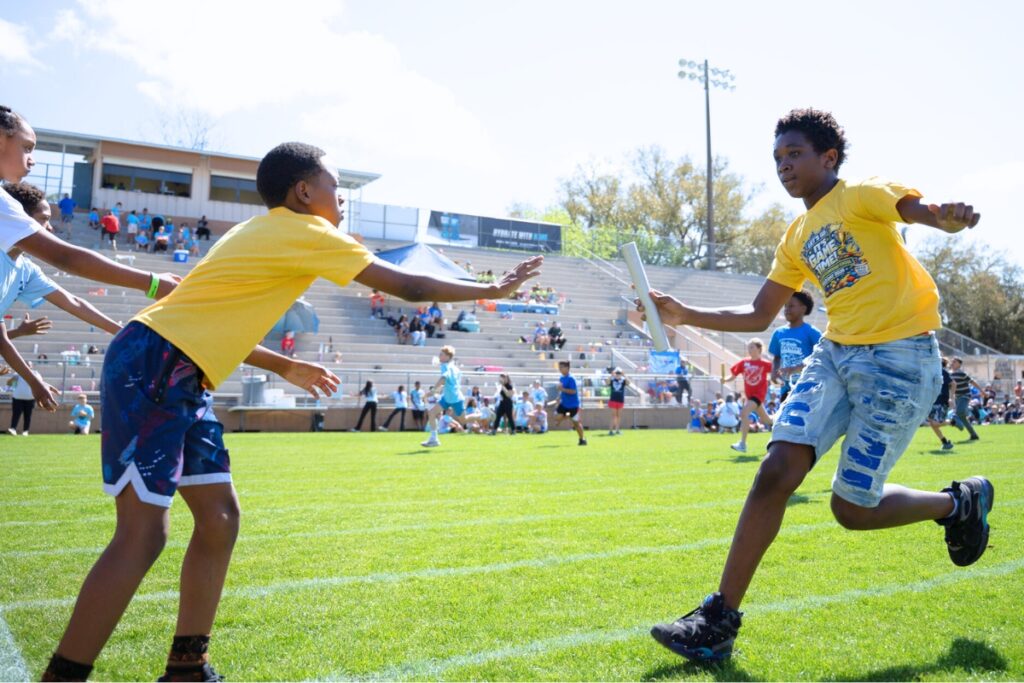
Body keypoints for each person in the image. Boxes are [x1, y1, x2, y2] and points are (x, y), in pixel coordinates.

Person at [40, 140, 540, 682]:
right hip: (157, 362)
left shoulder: (261, 231)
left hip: (175, 365)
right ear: (304, 191)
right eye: (334, 185)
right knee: (143, 533)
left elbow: (208, 317)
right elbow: (411, 286)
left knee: (220, 519)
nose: (341, 197)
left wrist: (282, 366)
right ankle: (63, 676)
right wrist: (491, 287)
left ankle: (188, 669)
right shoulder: (307, 231)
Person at [642, 108, 992, 664]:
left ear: (828, 158)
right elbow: (760, 314)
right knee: (776, 469)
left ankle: (957, 503)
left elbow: (912, 208)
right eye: (777, 159)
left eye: (795, 154)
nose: (784, 166)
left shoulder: (858, 193)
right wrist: (684, 313)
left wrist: (940, 217)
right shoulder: (796, 234)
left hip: (901, 361)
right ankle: (718, 619)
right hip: (836, 354)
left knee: (851, 509)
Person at [2, 183, 123, 336]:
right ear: (20, 218)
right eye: (44, 219)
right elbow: (68, 259)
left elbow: (74, 303)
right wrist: (152, 283)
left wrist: (122, 332)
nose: (50, 228)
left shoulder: (27, 270)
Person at [768, 290, 822, 404]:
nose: (787, 309)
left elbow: (820, 358)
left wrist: (795, 368)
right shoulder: (779, 333)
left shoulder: (812, 332)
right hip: (786, 387)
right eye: (785, 306)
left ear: (803, 309)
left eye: (791, 306)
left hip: (807, 388)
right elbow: (777, 357)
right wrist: (774, 372)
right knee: (785, 418)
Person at [725, 338, 774, 453]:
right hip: (750, 396)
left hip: (758, 395)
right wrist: (725, 380)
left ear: (759, 349)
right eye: (748, 347)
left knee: (744, 413)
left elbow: (776, 372)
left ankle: (742, 444)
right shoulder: (744, 362)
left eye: (752, 347)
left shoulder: (765, 364)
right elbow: (733, 375)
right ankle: (781, 423)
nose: (749, 349)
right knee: (767, 420)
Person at [421, 345, 465, 447]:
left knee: (464, 420)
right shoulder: (453, 367)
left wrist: (433, 390)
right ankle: (434, 439)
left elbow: (443, 379)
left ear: (447, 357)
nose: (439, 356)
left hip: (455, 398)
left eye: (441, 354)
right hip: (447, 397)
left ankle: (482, 416)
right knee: (432, 413)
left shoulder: (445, 366)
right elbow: (451, 382)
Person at [949, 356, 982, 441]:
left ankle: (969, 409)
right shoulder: (949, 374)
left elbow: (972, 382)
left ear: (959, 364)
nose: (952, 363)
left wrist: (982, 391)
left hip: (965, 395)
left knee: (959, 412)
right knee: (963, 417)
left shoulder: (962, 374)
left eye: (954, 362)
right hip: (957, 397)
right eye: (952, 361)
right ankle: (974, 435)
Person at [555, 360, 587, 446]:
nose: (560, 369)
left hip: (573, 405)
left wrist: (562, 390)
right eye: (559, 367)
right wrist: (559, 397)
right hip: (564, 403)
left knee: (576, 423)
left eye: (561, 367)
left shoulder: (571, 378)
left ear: (567, 368)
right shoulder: (561, 378)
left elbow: (573, 391)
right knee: (557, 417)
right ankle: (567, 416)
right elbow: (562, 390)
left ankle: (582, 439)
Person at [926, 358, 956, 451]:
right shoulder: (930, 372)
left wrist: (951, 397)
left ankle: (952, 422)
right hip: (932, 401)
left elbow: (953, 383)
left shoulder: (942, 372)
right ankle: (945, 442)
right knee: (932, 423)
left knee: (935, 423)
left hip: (942, 401)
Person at [6, 361, 43, 435]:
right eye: (25, 365)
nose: (27, 366)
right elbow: (10, 384)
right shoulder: (17, 374)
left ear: (31, 366)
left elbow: (40, 382)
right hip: (17, 398)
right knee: (16, 414)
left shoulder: (35, 373)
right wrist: (13, 379)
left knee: (28, 415)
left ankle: (25, 431)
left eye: (29, 365)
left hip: (30, 398)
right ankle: (13, 429)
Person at [606, 368, 629, 435]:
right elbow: (607, 382)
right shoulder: (612, 380)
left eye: (619, 374)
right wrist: (611, 375)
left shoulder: (623, 380)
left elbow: (628, 382)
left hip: (620, 400)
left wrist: (624, 375)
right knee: (613, 416)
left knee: (619, 416)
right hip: (613, 400)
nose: (618, 375)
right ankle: (610, 430)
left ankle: (617, 430)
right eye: (617, 374)